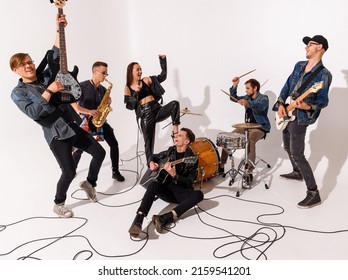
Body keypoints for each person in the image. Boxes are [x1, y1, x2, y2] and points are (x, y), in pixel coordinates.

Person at [10, 14, 106, 218]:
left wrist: (58, 28)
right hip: (55, 135)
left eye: (30, 62)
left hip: (71, 125)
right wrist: (50, 91)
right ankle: (58, 203)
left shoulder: (45, 76)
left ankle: (89, 183)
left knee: (99, 153)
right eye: (23, 64)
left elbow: (55, 55)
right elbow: (34, 113)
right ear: (15, 69)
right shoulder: (18, 93)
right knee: (69, 172)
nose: (28, 65)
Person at [273, 35, 332, 208]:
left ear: (319, 47)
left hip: (301, 117)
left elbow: (323, 101)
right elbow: (286, 86)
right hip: (287, 112)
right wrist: (281, 103)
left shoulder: (324, 74)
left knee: (297, 153)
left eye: (309, 45)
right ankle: (297, 172)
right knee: (286, 146)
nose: (306, 47)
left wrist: (307, 106)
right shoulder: (299, 65)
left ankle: (313, 193)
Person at [128, 128, 203, 237]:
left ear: (186, 142)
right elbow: (153, 156)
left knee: (199, 195)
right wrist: (152, 163)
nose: (176, 136)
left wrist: (174, 175)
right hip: (167, 190)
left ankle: (165, 218)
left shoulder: (192, 159)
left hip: (181, 193)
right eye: (177, 135)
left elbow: (190, 181)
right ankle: (138, 221)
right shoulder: (170, 151)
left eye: (180, 136)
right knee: (153, 185)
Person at [71, 61, 125, 182]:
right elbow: (74, 106)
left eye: (106, 73)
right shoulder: (82, 86)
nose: (105, 76)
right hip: (86, 121)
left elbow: (102, 108)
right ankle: (72, 168)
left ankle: (115, 171)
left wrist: (107, 104)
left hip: (99, 121)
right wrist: (89, 111)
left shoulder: (104, 89)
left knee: (114, 144)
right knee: (79, 149)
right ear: (95, 72)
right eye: (103, 73)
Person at [124, 55, 181, 162]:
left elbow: (162, 76)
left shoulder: (146, 80)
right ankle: (150, 163)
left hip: (157, 109)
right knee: (149, 143)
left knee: (174, 104)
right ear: (131, 71)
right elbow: (129, 106)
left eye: (141, 69)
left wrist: (163, 60)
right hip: (146, 115)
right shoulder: (128, 87)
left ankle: (175, 130)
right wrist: (136, 92)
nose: (140, 71)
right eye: (137, 69)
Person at [219, 78, 271, 179]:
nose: (246, 90)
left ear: (255, 88)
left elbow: (260, 106)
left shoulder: (264, 98)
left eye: (248, 88)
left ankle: (249, 171)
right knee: (228, 137)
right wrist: (235, 85)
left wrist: (248, 103)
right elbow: (233, 98)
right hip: (246, 127)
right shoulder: (247, 97)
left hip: (260, 127)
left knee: (250, 141)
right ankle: (221, 165)